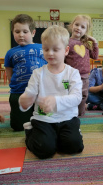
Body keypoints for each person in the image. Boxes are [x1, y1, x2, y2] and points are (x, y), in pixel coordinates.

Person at [19, 25, 84, 159]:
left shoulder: (73, 73)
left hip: (67, 117)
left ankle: (61, 136)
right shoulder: (38, 73)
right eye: (46, 49)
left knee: (74, 146)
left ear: (66, 50)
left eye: (55, 49)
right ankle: (31, 132)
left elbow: (77, 98)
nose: (50, 53)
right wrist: (24, 100)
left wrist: (55, 101)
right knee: (44, 150)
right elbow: (28, 95)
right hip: (43, 118)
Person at [5, 14, 47, 131]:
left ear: (33, 33)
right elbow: (10, 74)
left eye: (25, 31)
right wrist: (13, 87)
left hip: (41, 92)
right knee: (17, 126)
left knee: (44, 122)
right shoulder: (10, 53)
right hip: (19, 92)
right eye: (17, 31)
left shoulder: (43, 47)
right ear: (13, 33)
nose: (21, 35)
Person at [65, 15, 99, 116]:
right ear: (71, 25)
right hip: (70, 76)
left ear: (86, 31)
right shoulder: (67, 42)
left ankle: (81, 114)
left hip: (84, 76)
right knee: (70, 95)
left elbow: (95, 56)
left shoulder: (86, 43)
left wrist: (94, 42)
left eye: (83, 27)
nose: (78, 28)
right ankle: (70, 114)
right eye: (76, 24)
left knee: (83, 95)